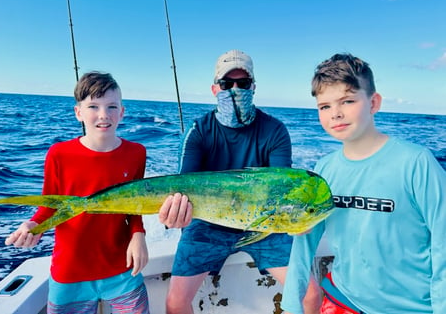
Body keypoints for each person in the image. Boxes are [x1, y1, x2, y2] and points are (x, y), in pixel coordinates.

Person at [4, 71, 192, 314]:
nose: (104, 115)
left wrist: (138, 234)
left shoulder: (136, 153)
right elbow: (49, 205)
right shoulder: (58, 154)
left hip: (123, 269)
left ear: (122, 112)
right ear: (78, 112)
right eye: (93, 106)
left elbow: (134, 205)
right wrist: (33, 225)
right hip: (69, 272)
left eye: (112, 106)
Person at [281, 53, 446, 314]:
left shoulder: (417, 162)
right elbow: (304, 244)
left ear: (373, 102)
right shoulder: (324, 170)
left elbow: (442, 244)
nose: (335, 113)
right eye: (324, 106)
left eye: (347, 101)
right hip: (344, 300)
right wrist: (291, 306)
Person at [165, 49, 322, 314]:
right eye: (227, 84)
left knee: (310, 295)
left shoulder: (275, 130)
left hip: (265, 225)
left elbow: (284, 190)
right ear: (215, 89)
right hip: (207, 226)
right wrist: (174, 214)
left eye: (243, 83)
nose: (235, 89)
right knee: (175, 302)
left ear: (254, 87)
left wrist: (300, 220)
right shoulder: (198, 131)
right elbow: (181, 189)